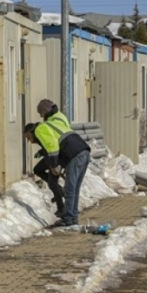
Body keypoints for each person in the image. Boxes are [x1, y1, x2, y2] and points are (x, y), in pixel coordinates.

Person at [34, 98, 91, 228]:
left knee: (70, 188)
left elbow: (52, 147)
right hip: (83, 150)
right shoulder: (60, 118)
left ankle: (68, 218)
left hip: (74, 154)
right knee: (74, 188)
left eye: (40, 113)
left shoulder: (42, 128)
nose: (40, 116)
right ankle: (72, 217)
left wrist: (53, 165)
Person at [23, 122, 66, 217]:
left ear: (31, 133)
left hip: (56, 158)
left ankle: (61, 208)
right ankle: (60, 191)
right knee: (37, 169)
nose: (29, 140)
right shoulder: (39, 135)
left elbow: (51, 147)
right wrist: (40, 152)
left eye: (28, 138)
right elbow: (47, 146)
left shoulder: (39, 133)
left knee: (52, 183)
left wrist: (52, 166)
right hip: (52, 157)